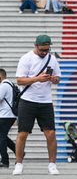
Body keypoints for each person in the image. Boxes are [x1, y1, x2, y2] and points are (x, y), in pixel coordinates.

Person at [13, 35, 61, 175]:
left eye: (47, 50)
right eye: (42, 50)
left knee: (50, 133)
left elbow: (58, 78)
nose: (44, 53)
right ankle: (19, 164)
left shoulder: (52, 59)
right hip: (27, 101)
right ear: (35, 46)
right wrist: (37, 79)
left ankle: (52, 165)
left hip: (45, 101)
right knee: (23, 133)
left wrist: (54, 79)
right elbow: (20, 81)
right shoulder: (26, 58)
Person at [0, 69, 17, 168]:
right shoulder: (10, 84)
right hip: (9, 115)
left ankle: (5, 161)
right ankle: (18, 150)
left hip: (5, 115)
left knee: (1, 138)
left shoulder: (3, 86)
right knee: (3, 136)